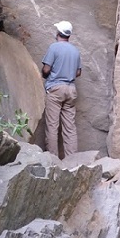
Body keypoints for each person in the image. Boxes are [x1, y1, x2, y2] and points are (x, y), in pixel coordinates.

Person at [41, 20, 82, 158]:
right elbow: (78, 73)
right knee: (70, 128)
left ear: (58, 32)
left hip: (55, 89)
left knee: (52, 127)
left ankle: (52, 160)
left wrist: (48, 73)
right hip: (71, 90)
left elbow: (46, 69)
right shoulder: (75, 51)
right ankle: (72, 160)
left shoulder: (54, 47)